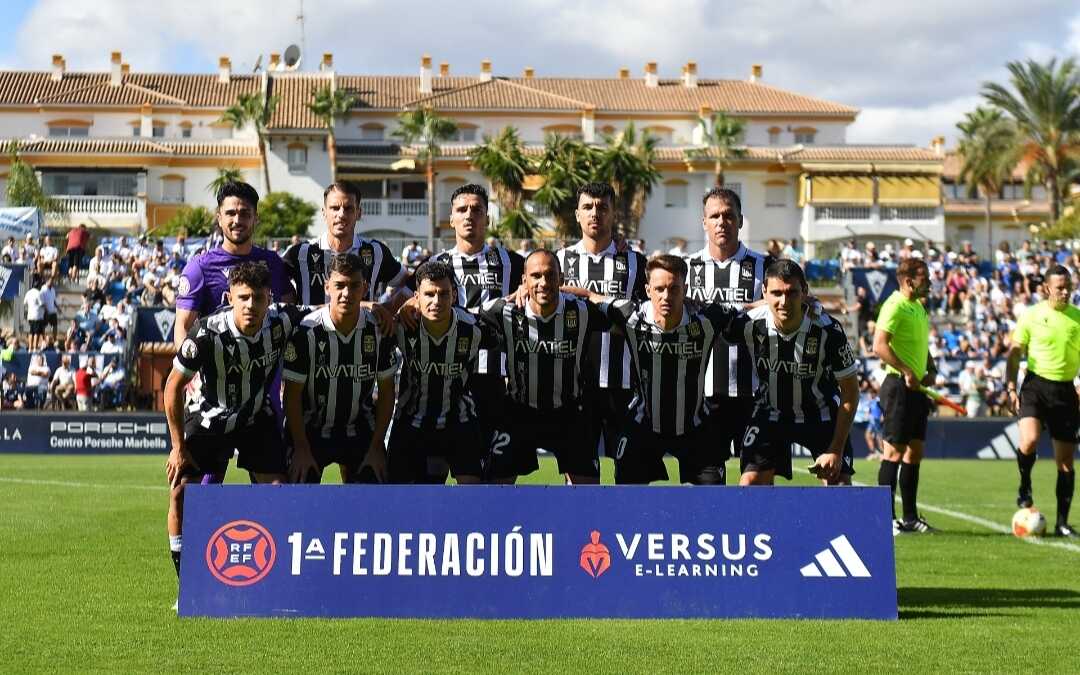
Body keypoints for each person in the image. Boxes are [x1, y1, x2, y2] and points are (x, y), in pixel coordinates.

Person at [164, 262, 306, 608]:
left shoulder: (282, 320)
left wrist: (376, 306)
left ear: (269, 298)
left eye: (259, 298)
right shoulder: (206, 333)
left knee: (277, 493)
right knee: (181, 493)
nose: (251, 306)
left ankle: (270, 579)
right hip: (210, 419)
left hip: (256, 417)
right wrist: (178, 447)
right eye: (243, 297)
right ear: (230, 297)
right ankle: (189, 584)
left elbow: (326, 309)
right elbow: (172, 387)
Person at [568, 255, 742, 485]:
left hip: (696, 427)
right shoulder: (631, 316)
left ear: (686, 289)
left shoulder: (708, 319)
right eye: (659, 289)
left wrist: (803, 303)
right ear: (648, 290)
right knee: (627, 501)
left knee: (710, 506)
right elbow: (589, 296)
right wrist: (527, 291)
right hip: (643, 426)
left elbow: (755, 307)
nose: (666, 296)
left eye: (674, 288)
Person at [471, 249, 607, 485]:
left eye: (550, 275)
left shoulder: (583, 311)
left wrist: (588, 293)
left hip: (569, 412)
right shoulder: (504, 310)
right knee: (493, 487)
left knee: (588, 495)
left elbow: (629, 312)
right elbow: (455, 317)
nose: (543, 282)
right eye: (535, 276)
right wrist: (412, 303)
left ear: (561, 279)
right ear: (524, 280)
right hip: (519, 412)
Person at [730, 260, 859, 486]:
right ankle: (766, 523)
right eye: (776, 293)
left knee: (839, 489)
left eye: (792, 293)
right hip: (770, 413)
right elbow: (710, 319)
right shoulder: (747, 323)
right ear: (764, 293)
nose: (784, 301)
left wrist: (836, 450)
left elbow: (850, 392)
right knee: (749, 484)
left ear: (805, 292)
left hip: (821, 414)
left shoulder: (828, 331)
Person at [430, 184, 525, 475]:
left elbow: (547, 282)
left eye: (477, 210)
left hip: (497, 381)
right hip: (450, 382)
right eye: (462, 210)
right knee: (443, 471)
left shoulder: (511, 263)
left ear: (488, 218)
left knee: (498, 475)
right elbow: (412, 303)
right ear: (452, 219)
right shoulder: (436, 265)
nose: (469, 215)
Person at [556, 182, 647, 475]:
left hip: (626, 387)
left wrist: (583, 295)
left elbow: (644, 318)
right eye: (588, 207)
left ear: (613, 214)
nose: (595, 213)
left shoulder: (635, 262)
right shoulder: (559, 262)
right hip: (576, 389)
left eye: (603, 207)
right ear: (577, 214)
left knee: (630, 479)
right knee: (581, 482)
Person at [283, 254, 398, 485]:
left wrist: (377, 447)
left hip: (359, 428)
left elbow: (387, 392)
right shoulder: (307, 332)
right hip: (311, 429)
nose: (346, 293)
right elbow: (292, 395)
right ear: (327, 287)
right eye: (340, 285)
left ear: (364, 287)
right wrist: (302, 449)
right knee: (299, 493)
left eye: (354, 285)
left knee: (375, 492)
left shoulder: (377, 331)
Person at [684, 187, 774, 484]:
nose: (722, 221)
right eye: (714, 216)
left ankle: (761, 532)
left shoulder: (765, 266)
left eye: (728, 215)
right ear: (704, 222)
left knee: (758, 485)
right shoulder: (685, 269)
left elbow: (788, 302)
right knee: (709, 490)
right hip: (704, 397)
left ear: (740, 220)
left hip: (757, 393)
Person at [388, 261, 486, 484]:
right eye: (429, 294)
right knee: (399, 498)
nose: (436, 301)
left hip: (458, 421)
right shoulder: (401, 327)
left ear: (453, 296)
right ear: (416, 296)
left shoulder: (475, 329)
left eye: (443, 294)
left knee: (473, 494)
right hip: (411, 420)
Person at [173, 181, 294, 347]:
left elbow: (290, 315)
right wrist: (190, 370)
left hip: (265, 370)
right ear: (219, 219)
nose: (237, 220)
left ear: (256, 218)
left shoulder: (273, 262)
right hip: (218, 370)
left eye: (245, 214)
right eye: (230, 213)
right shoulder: (199, 267)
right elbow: (182, 327)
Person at [1006, 265, 1079, 537]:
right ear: (1047, 288)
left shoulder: (1077, 318)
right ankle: (1025, 485)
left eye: (1069, 286)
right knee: (1029, 440)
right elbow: (1014, 354)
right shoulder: (1031, 315)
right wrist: (1011, 386)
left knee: (1066, 461)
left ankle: (1062, 522)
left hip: (1065, 391)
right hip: (1036, 386)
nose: (1065, 292)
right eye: (1060, 287)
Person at [874, 257, 936, 534]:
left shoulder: (918, 308)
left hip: (917, 390)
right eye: (925, 277)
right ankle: (885, 520)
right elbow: (880, 346)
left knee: (914, 453)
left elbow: (920, 345)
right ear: (909, 281)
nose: (930, 281)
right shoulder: (894, 305)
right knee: (893, 452)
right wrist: (907, 370)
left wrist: (929, 366)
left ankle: (910, 518)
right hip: (898, 386)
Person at [283, 181, 406, 312]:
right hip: (309, 332)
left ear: (359, 213)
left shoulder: (375, 251)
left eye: (348, 208)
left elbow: (409, 281)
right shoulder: (300, 253)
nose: (341, 215)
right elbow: (269, 285)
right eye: (335, 208)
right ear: (324, 212)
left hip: (363, 332)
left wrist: (389, 308)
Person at [24, 282, 45, 351]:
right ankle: (35, 347)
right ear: (38, 286)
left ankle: (30, 348)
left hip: (30, 315)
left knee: (31, 332)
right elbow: (41, 304)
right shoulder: (38, 293)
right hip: (37, 315)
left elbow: (25, 303)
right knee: (37, 332)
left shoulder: (28, 292)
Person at [40, 276, 58, 343]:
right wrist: (46, 310)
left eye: (52, 281)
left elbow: (54, 300)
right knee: (43, 326)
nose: (52, 282)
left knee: (55, 326)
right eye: (50, 281)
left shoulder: (53, 289)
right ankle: (43, 340)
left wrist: (58, 308)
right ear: (46, 281)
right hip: (45, 312)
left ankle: (55, 340)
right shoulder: (43, 289)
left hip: (53, 311)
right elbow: (42, 301)